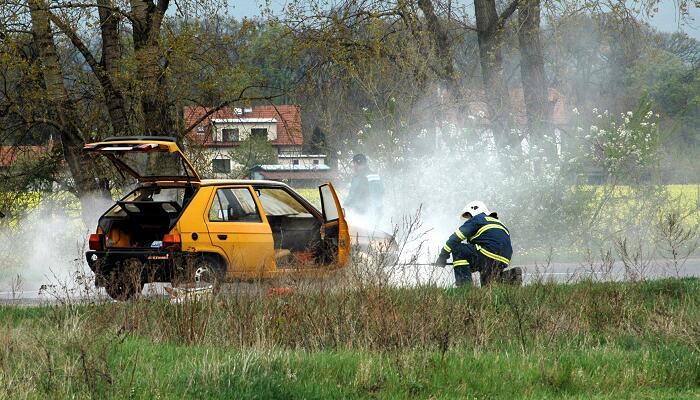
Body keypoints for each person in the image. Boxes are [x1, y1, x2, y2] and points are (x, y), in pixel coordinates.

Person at [435, 201, 513, 287]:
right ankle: (509, 278)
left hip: (488, 253)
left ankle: (464, 287)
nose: (469, 219)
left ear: (474, 210)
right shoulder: (498, 222)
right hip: (504, 259)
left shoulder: (478, 219)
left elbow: (454, 239)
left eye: (469, 216)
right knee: (488, 286)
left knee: (458, 249)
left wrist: (442, 257)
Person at [344, 154, 383, 219]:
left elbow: (353, 195)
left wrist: (344, 207)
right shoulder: (376, 175)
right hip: (378, 210)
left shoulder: (359, 177)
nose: (353, 167)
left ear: (356, 163)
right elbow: (382, 191)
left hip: (364, 212)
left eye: (354, 164)